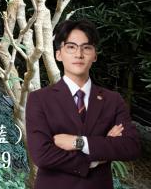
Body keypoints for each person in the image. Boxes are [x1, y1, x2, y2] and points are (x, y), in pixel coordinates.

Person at [25, 19, 141, 188]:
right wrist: (99, 154)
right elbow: (42, 155)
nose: (79, 54)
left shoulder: (112, 100)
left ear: (95, 55)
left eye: (86, 47)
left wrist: (79, 142)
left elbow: (131, 147)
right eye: (71, 47)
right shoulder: (39, 99)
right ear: (58, 54)